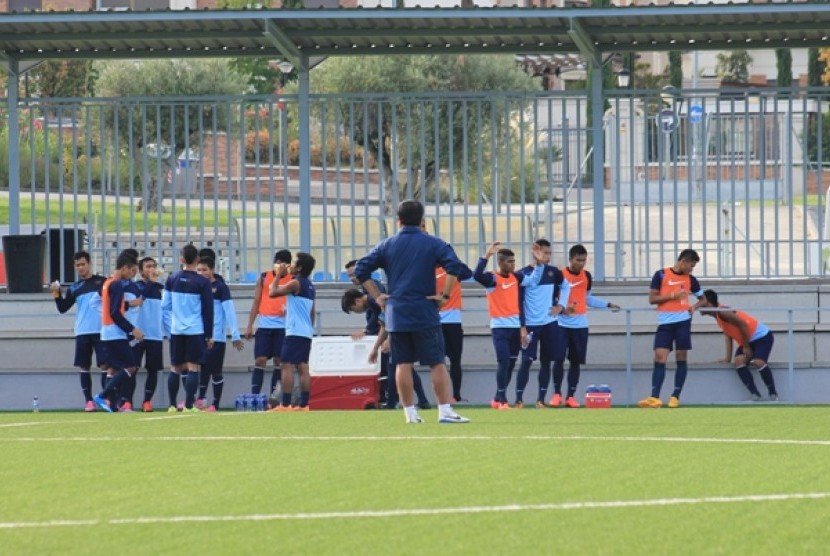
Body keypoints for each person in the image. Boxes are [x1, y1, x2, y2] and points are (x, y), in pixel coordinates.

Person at [354, 199, 469, 424]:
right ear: (422, 220)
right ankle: (444, 411)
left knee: (402, 362)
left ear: (398, 220)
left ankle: (410, 414)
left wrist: (377, 296)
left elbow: (360, 269)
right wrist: (444, 296)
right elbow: (455, 267)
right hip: (424, 308)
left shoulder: (387, 245)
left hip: (396, 312)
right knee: (436, 361)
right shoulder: (433, 243)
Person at [474, 241, 545, 409]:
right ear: (500, 262)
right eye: (509, 261)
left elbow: (533, 281)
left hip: (515, 327)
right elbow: (476, 275)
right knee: (503, 361)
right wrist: (487, 255)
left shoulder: (516, 277)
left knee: (511, 363)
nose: (513, 264)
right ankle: (503, 400)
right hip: (499, 327)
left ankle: (497, 397)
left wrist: (539, 263)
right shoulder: (492, 279)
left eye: (514, 261)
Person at [341, 288, 431, 409]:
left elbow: (387, 322)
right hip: (406, 328)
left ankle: (392, 403)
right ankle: (422, 400)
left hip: (399, 331)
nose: (356, 312)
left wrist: (387, 340)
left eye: (353, 309)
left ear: (357, 301)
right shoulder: (373, 302)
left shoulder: (375, 302)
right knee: (405, 367)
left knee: (392, 369)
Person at [554, 244, 620, 408]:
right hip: (560, 324)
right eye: (578, 260)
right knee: (559, 358)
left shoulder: (587, 276)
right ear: (570, 259)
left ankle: (571, 396)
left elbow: (587, 299)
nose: (581, 264)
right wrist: (561, 308)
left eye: (584, 260)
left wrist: (607, 304)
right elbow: (551, 298)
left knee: (575, 361)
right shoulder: (559, 275)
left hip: (580, 324)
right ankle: (557, 394)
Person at [639, 249, 705, 409]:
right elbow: (652, 299)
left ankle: (675, 396)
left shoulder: (691, 279)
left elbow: (703, 299)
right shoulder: (661, 275)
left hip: (683, 321)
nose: (692, 269)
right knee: (659, 357)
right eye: (691, 265)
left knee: (681, 356)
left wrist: (694, 307)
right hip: (664, 323)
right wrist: (672, 296)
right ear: (682, 261)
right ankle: (654, 397)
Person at [513, 238, 570, 409]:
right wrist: (522, 326)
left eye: (549, 253)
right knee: (527, 361)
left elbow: (566, 286)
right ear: (535, 252)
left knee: (547, 361)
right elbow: (519, 302)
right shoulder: (523, 274)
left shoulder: (554, 272)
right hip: (531, 324)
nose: (548, 256)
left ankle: (540, 399)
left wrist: (561, 305)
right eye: (545, 253)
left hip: (550, 323)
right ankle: (519, 400)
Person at [51, 250, 108, 412]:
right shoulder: (74, 287)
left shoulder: (102, 282)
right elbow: (63, 308)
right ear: (74, 267)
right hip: (83, 331)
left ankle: (105, 398)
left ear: (89, 263)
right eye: (77, 265)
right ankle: (89, 401)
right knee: (84, 366)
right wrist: (56, 294)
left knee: (105, 364)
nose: (81, 268)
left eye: (83, 264)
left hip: (101, 330)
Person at [698, 289, 778, 401]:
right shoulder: (717, 315)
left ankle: (773, 394)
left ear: (708, 303)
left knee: (758, 362)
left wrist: (746, 347)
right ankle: (755, 395)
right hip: (748, 340)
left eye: (700, 302)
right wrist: (727, 358)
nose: (697, 305)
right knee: (739, 361)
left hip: (761, 336)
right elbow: (728, 335)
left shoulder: (723, 312)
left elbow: (743, 325)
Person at [161, 244, 214, 412]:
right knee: (193, 367)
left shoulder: (172, 278)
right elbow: (208, 310)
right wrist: (208, 335)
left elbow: (165, 305)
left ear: (181, 259)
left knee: (175, 367)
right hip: (195, 330)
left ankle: (171, 405)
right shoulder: (202, 282)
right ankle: (189, 405)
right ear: (197, 259)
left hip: (176, 330)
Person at [92, 250, 144, 412]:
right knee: (130, 367)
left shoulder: (107, 283)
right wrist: (132, 329)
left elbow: (111, 307)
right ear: (125, 268)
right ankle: (103, 395)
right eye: (132, 271)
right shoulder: (117, 285)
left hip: (107, 332)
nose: (132, 275)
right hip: (115, 333)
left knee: (113, 369)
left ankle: (113, 405)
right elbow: (115, 312)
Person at [268, 252, 316, 411]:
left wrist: (278, 276)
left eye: (294, 263)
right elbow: (312, 312)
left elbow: (272, 292)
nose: (291, 266)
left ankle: (286, 404)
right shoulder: (310, 286)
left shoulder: (296, 283)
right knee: (303, 366)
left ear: (300, 268)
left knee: (286, 365)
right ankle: (304, 404)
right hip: (306, 331)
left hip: (295, 331)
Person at [196, 256, 244, 411]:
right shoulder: (195, 286)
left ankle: (215, 404)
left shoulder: (220, 287)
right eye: (199, 269)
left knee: (215, 371)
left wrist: (235, 335)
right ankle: (200, 400)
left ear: (212, 270)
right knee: (201, 369)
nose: (201, 272)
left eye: (204, 269)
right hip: (199, 335)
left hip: (217, 336)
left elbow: (229, 312)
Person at [245, 250, 291, 401]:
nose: (279, 266)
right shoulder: (264, 277)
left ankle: (274, 397)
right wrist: (249, 325)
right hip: (265, 325)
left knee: (279, 361)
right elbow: (256, 301)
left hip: (283, 326)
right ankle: (255, 396)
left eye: (282, 263)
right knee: (260, 360)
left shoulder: (293, 279)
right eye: (277, 262)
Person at [131, 256, 165, 412]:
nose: (151, 269)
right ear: (140, 271)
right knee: (132, 368)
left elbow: (165, 310)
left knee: (153, 370)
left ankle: (147, 401)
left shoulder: (160, 288)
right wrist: (150, 282)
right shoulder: (135, 286)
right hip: (138, 334)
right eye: (148, 266)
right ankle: (127, 402)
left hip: (155, 334)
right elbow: (140, 300)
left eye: (153, 266)